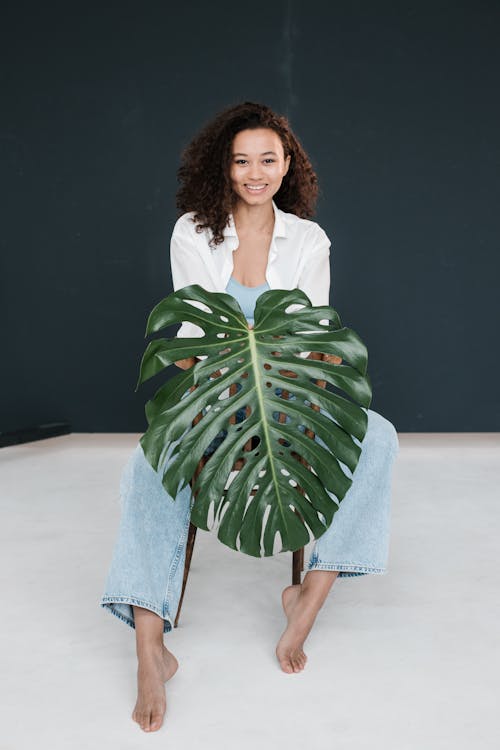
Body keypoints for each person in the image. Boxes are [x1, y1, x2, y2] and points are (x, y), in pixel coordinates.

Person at [99, 101, 400, 733]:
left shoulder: (309, 240)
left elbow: (315, 339)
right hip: (213, 397)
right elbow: (188, 340)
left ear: (288, 166)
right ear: (224, 168)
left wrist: (301, 389)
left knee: (378, 437)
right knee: (150, 460)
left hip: (290, 397)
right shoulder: (193, 233)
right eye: (242, 161)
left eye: (268, 159)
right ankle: (149, 644)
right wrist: (224, 391)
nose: (255, 172)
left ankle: (308, 596)